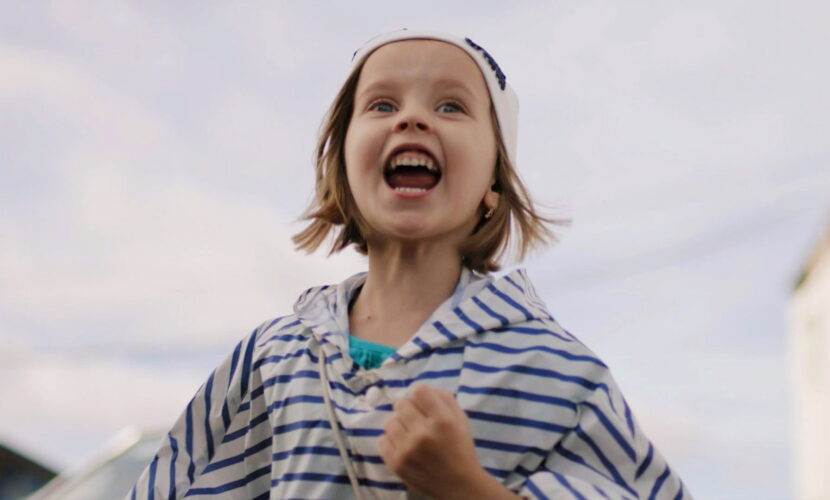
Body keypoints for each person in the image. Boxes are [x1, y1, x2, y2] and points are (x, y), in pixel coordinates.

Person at [127, 29, 689, 500]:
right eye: (382, 105)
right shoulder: (274, 356)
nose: (412, 119)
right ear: (343, 169)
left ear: (493, 184)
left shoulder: (556, 371)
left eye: (450, 106)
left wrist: (468, 490)